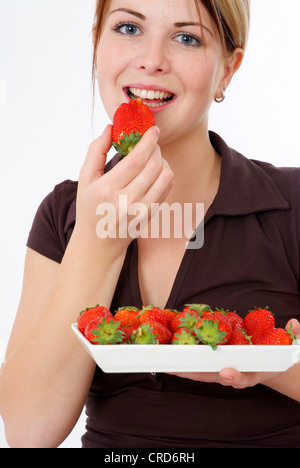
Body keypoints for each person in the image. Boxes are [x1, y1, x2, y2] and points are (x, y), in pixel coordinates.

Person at [1, 0, 300, 449]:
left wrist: (276, 364)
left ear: (228, 70)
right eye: (127, 28)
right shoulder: (62, 213)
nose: (151, 60)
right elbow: (28, 432)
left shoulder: (290, 203)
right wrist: (97, 243)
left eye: (186, 38)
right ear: (97, 45)